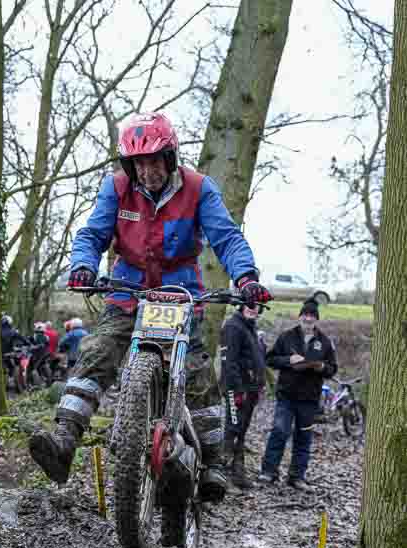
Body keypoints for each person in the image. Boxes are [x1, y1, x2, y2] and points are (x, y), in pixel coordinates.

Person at [29, 111, 271, 500]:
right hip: (127, 290)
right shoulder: (116, 188)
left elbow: (226, 238)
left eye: (154, 161)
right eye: (139, 163)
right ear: (130, 165)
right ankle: (63, 442)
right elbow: (92, 234)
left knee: (197, 374)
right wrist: (83, 266)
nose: (147, 171)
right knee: (96, 352)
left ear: (170, 158)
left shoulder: (198, 189)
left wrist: (246, 278)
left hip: (180, 295)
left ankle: (213, 464)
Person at [258, 298, 337, 490]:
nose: (308, 318)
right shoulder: (287, 337)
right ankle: (269, 472)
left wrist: (321, 367)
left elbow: (332, 368)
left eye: (312, 316)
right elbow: (270, 359)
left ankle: (297, 477)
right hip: (287, 395)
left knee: (304, 438)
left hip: (310, 399)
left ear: (316, 319)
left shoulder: (324, 342)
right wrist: (288, 360)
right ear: (300, 316)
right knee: (279, 431)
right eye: (305, 315)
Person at [221, 301, 266, 489]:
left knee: (242, 430)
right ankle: (220, 473)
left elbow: (255, 359)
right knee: (233, 428)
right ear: (240, 305)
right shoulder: (233, 326)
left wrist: (259, 384)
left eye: (257, 306)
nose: (253, 308)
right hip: (237, 389)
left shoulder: (251, 327)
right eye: (249, 304)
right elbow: (228, 362)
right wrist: (237, 390)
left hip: (251, 388)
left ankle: (238, 472)